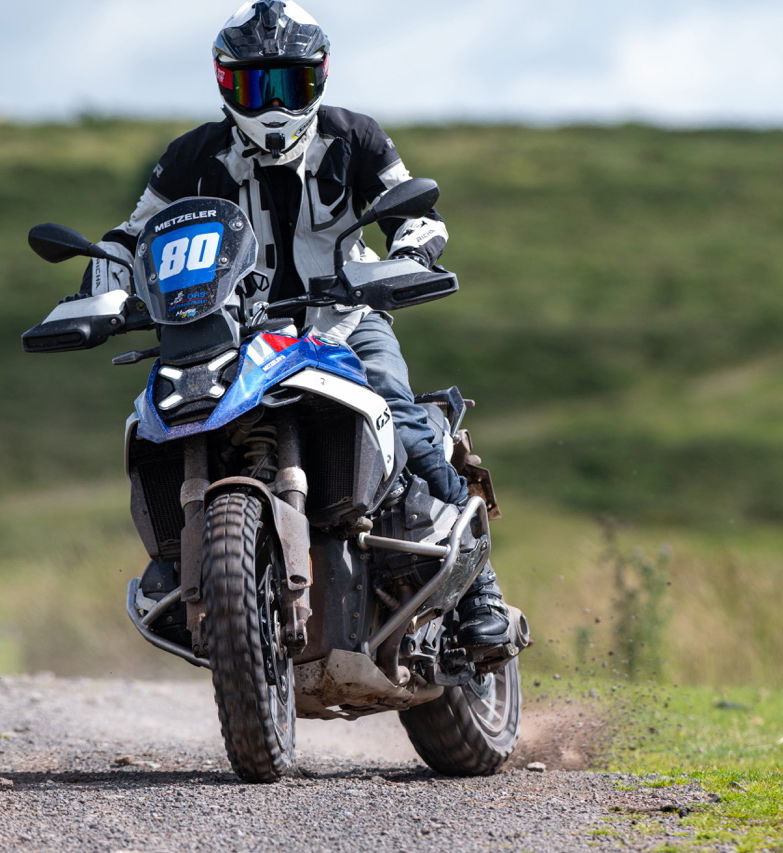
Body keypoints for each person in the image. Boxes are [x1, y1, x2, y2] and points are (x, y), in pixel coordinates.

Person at [75, 0, 510, 655]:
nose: (272, 100)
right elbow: (136, 233)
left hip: (346, 322)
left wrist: (410, 255)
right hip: (232, 336)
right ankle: (176, 561)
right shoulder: (192, 155)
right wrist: (106, 281)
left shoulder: (355, 137)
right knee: (159, 419)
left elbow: (415, 214)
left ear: (318, 77)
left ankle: (484, 601)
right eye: (256, 83)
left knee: (402, 410)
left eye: (288, 82)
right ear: (228, 84)